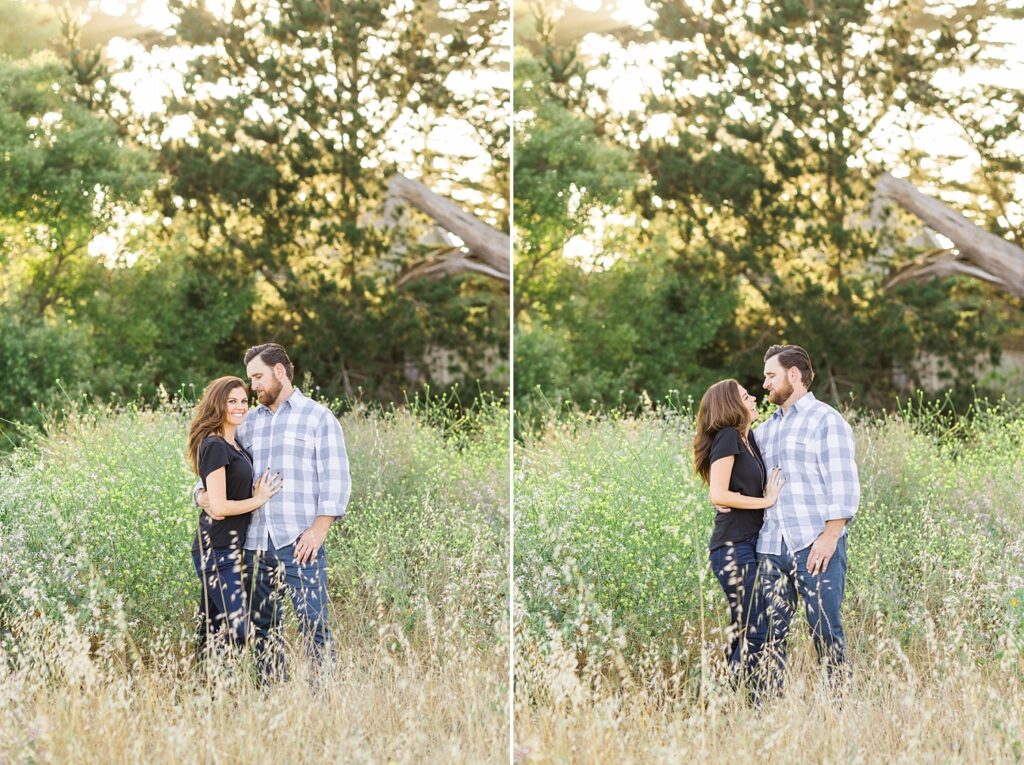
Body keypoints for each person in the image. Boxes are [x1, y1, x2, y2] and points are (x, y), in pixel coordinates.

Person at [198, 344, 351, 680]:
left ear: (279, 371)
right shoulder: (247, 422)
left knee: (314, 624)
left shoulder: (318, 418)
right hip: (254, 544)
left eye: (258, 377)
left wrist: (318, 531)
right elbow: (218, 463)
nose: (253, 386)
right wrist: (199, 494)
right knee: (264, 629)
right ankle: (272, 697)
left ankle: (321, 700)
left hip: (299, 542)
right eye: (251, 378)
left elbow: (336, 481)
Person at [752, 344, 860, 694]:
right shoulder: (763, 432)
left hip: (814, 545)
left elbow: (843, 484)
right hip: (771, 547)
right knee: (769, 632)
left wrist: (829, 538)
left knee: (825, 629)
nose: (765, 383)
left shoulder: (826, 421)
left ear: (793, 375)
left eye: (771, 375)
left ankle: (839, 706)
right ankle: (766, 711)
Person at [693, 379, 784, 679]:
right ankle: (742, 698)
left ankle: (730, 703)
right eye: (746, 396)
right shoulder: (728, 436)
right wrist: (766, 500)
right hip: (732, 547)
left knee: (745, 626)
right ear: (732, 405)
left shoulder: (749, 439)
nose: (754, 398)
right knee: (758, 626)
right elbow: (718, 494)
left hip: (747, 544)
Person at [187, 376, 282, 652]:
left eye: (243, 401)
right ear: (219, 404)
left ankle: (207, 688)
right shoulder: (215, 444)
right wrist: (259, 498)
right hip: (215, 549)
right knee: (240, 628)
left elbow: (215, 492)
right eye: (232, 401)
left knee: (213, 627)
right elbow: (219, 507)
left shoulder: (235, 444)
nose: (240, 407)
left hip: (232, 548)